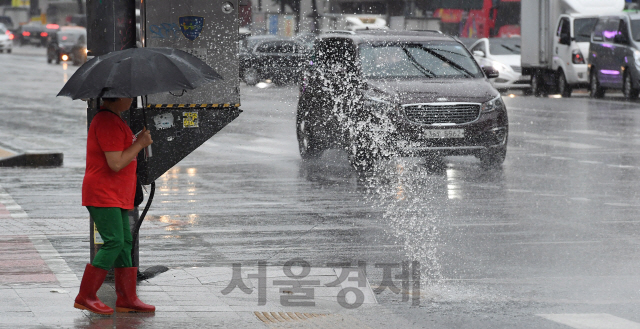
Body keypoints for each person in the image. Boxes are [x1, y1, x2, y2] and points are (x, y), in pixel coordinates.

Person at [74, 97, 155, 315]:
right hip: (103, 193)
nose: (131, 99)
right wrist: (139, 144)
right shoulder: (107, 122)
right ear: (116, 97)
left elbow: (120, 152)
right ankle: (86, 295)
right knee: (114, 241)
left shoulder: (115, 119)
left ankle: (127, 298)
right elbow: (116, 163)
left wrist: (136, 140)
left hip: (117, 194)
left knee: (125, 242)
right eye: (128, 95)